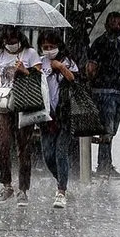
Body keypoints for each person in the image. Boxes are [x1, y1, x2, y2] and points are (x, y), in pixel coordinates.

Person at [0, 25, 42, 207]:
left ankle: (23, 188)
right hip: (3, 105)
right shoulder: (0, 55)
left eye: (13, 41)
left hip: (24, 104)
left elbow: (39, 78)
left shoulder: (30, 54)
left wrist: (24, 71)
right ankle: (6, 184)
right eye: (7, 42)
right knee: (2, 144)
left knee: (23, 147)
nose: (10, 45)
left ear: (19, 39)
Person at [37, 29, 78, 208]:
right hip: (46, 116)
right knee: (48, 155)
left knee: (61, 151)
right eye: (45, 47)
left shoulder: (67, 61)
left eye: (52, 46)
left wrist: (60, 67)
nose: (48, 49)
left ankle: (61, 190)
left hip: (65, 114)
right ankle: (62, 180)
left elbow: (75, 80)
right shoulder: (39, 62)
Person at [86, 12, 120, 179]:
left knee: (111, 129)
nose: (118, 26)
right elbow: (92, 68)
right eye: (115, 23)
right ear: (107, 25)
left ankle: (105, 163)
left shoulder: (119, 45)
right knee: (106, 129)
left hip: (117, 91)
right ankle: (104, 164)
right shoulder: (99, 44)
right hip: (104, 91)